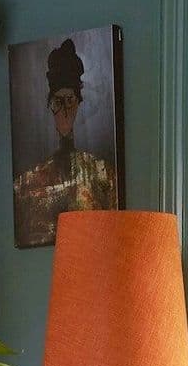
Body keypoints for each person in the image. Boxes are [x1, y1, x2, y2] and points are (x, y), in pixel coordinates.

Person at [13, 38, 117, 246]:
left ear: (79, 102)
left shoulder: (103, 172)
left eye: (70, 100)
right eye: (57, 102)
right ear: (50, 104)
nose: (65, 111)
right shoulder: (26, 182)